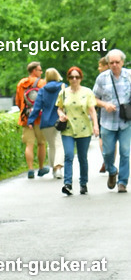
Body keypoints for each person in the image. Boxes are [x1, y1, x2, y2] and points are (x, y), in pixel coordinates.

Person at [56, 66, 99, 195]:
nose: (74, 79)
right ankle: (67, 183)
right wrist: (61, 115)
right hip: (68, 128)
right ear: (68, 78)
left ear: (80, 78)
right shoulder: (63, 92)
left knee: (82, 157)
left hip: (84, 128)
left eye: (77, 77)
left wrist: (96, 126)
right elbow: (59, 108)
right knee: (68, 155)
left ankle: (83, 183)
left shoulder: (87, 92)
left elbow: (92, 110)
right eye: (71, 77)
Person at [93, 48, 131, 192]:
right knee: (108, 153)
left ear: (122, 62)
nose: (114, 65)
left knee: (125, 152)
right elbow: (94, 98)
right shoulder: (102, 78)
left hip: (126, 121)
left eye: (117, 62)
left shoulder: (129, 75)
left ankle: (122, 182)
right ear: (108, 63)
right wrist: (104, 104)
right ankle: (112, 171)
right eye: (111, 62)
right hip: (108, 122)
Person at [27, 67, 65, 180]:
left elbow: (37, 106)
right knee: (59, 144)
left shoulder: (42, 90)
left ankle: (54, 168)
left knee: (51, 145)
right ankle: (58, 168)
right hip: (59, 120)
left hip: (46, 122)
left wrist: (31, 121)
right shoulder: (63, 87)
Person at [15, 61, 47, 177]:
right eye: (40, 70)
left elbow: (18, 102)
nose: (41, 72)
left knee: (29, 144)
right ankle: (41, 168)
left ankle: (30, 169)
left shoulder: (21, 83)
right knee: (41, 143)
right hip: (40, 118)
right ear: (34, 71)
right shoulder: (42, 83)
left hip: (26, 117)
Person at [96, 55, 110, 172]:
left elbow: (95, 97)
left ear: (106, 66)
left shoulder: (101, 78)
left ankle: (106, 159)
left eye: (100, 66)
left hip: (103, 111)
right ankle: (110, 162)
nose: (99, 69)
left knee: (102, 137)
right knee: (113, 140)